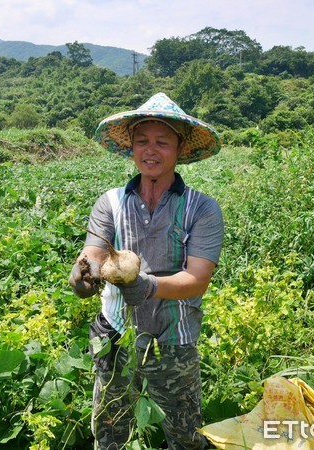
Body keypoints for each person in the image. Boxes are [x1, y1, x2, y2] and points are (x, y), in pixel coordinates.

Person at [69, 92, 224, 450]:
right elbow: (92, 253)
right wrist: (83, 275)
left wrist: (148, 287)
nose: (150, 151)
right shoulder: (110, 202)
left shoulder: (201, 209)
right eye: (142, 142)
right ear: (132, 148)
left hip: (173, 340)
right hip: (115, 335)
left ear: (180, 147)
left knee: (183, 434)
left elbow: (197, 279)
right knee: (110, 429)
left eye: (161, 142)